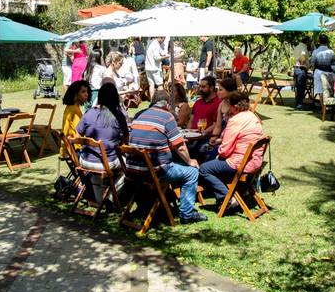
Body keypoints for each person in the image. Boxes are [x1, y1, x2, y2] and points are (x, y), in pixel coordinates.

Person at [126, 90, 207, 224]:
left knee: (173, 161)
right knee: (191, 172)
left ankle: (156, 205)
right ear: (167, 105)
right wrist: (190, 161)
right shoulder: (167, 117)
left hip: (133, 170)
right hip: (154, 172)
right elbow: (180, 146)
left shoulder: (139, 116)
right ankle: (187, 215)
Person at [198, 91, 265, 211]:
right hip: (254, 161)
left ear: (234, 106)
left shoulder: (235, 120)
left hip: (240, 163)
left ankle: (226, 197)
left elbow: (225, 150)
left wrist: (218, 152)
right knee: (213, 162)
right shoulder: (253, 116)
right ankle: (230, 196)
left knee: (204, 168)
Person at [76, 82, 129, 201]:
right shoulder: (118, 115)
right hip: (106, 162)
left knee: (99, 160)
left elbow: (77, 136)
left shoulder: (89, 113)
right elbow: (126, 141)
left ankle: (99, 199)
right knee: (130, 168)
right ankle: (110, 197)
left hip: (85, 160)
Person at [60, 80, 90, 158]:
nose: (86, 94)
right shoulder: (75, 110)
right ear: (75, 95)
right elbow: (80, 132)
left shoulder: (69, 107)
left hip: (67, 148)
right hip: (75, 149)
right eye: (83, 92)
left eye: (87, 92)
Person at [310, 34, 335, 101]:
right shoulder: (331, 52)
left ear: (319, 41)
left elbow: (312, 65)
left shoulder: (315, 52)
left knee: (320, 91)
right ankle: (330, 106)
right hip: (329, 73)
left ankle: (323, 108)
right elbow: (334, 66)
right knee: (329, 90)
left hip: (318, 73)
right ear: (327, 42)